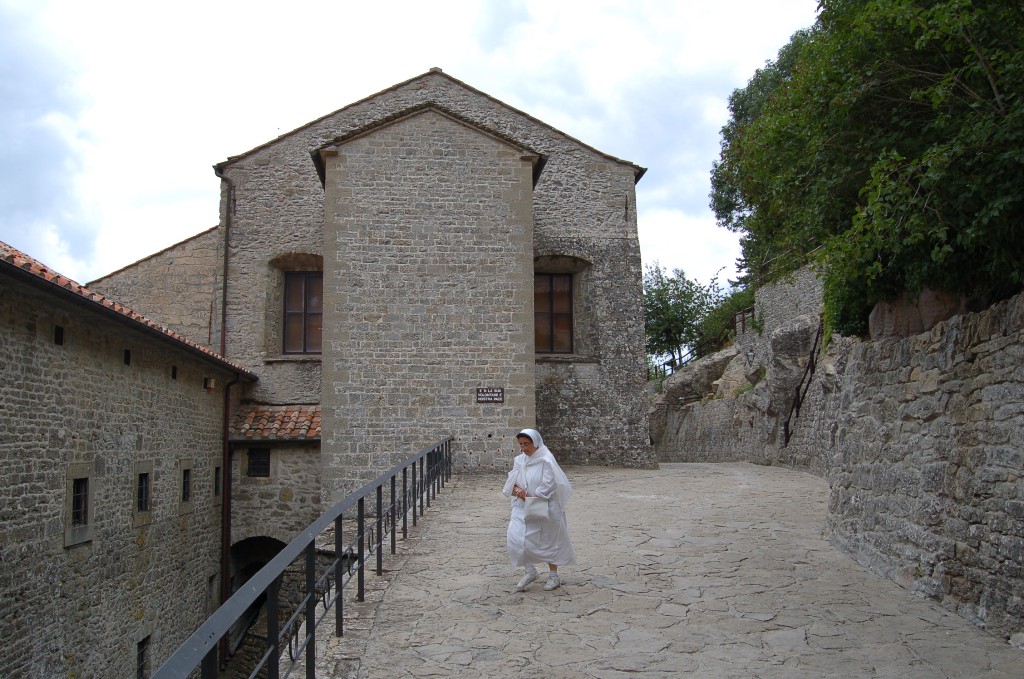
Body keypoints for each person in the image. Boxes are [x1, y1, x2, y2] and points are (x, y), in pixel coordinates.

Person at [502, 428, 576, 591]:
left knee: (548, 540)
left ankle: (553, 575)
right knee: (516, 537)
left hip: (544, 505)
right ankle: (530, 570)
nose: (523, 448)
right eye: (521, 444)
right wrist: (516, 490)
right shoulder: (519, 460)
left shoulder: (546, 460)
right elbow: (511, 480)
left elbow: (549, 485)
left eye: (527, 444)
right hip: (521, 506)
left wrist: (527, 496)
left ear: (536, 443)